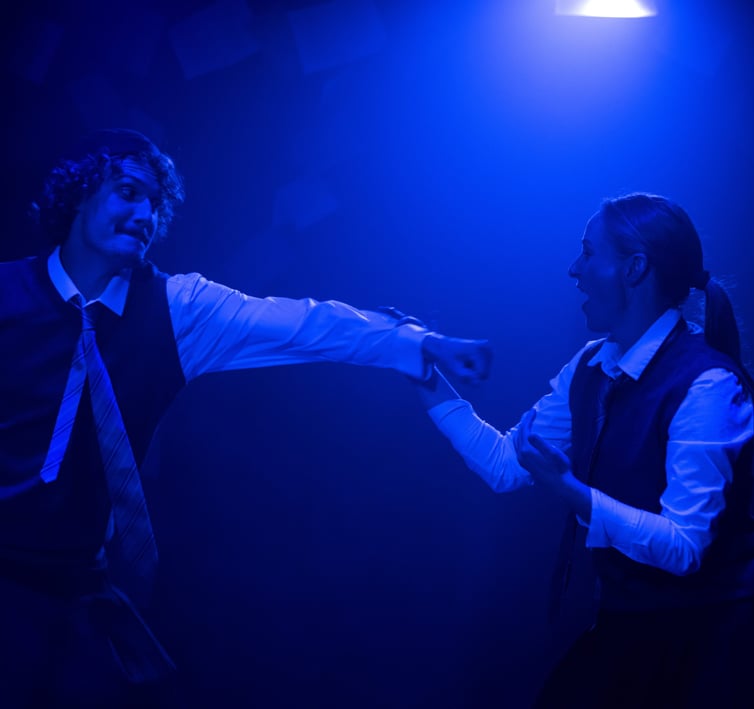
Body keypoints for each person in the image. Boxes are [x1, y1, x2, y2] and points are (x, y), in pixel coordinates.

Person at [0, 127, 492, 707]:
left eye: (155, 204)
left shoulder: (175, 309)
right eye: (128, 193)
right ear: (79, 191)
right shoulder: (7, 293)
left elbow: (303, 325)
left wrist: (419, 342)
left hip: (75, 588)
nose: (145, 215)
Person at [417, 193, 754, 708]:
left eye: (587, 252)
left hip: (714, 639)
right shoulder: (590, 366)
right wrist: (418, 366)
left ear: (634, 268)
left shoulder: (708, 383)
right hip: (634, 627)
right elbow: (504, 465)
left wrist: (571, 491)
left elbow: (684, 548)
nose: (574, 269)